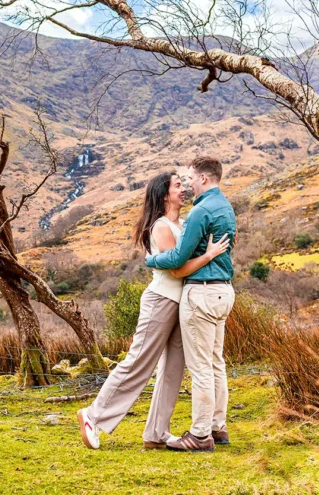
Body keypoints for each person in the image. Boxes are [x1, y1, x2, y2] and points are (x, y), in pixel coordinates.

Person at [76, 170, 230, 450]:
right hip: (161, 300)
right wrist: (209, 255)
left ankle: (157, 432)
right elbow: (177, 269)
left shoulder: (183, 224)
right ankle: (94, 416)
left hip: (182, 303)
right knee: (139, 362)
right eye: (177, 186)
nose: (183, 189)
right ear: (163, 194)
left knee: (172, 370)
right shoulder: (160, 227)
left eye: (184, 184)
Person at [146, 156, 236, 453]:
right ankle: (217, 427)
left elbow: (176, 259)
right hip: (224, 291)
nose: (187, 184)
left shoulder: (200, 211)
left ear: (205, 179)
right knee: (215, 362)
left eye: (191, 178)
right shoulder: (225, 207)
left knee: (200, 368)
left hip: (202, 293)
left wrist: (151, 259)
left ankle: (199, 435)